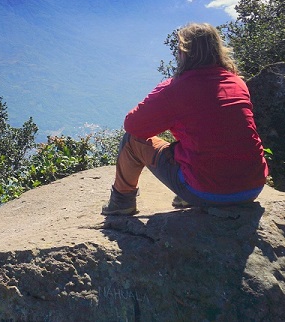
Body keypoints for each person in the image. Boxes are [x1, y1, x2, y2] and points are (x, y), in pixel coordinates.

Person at [102, 22, 269, 215]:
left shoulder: (175, 89)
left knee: (131, 140)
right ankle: (187, 191)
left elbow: (133, 125)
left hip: (207, 192)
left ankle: (122, 202)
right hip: (252, 188)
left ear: (183, 53)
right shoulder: (237, 82)